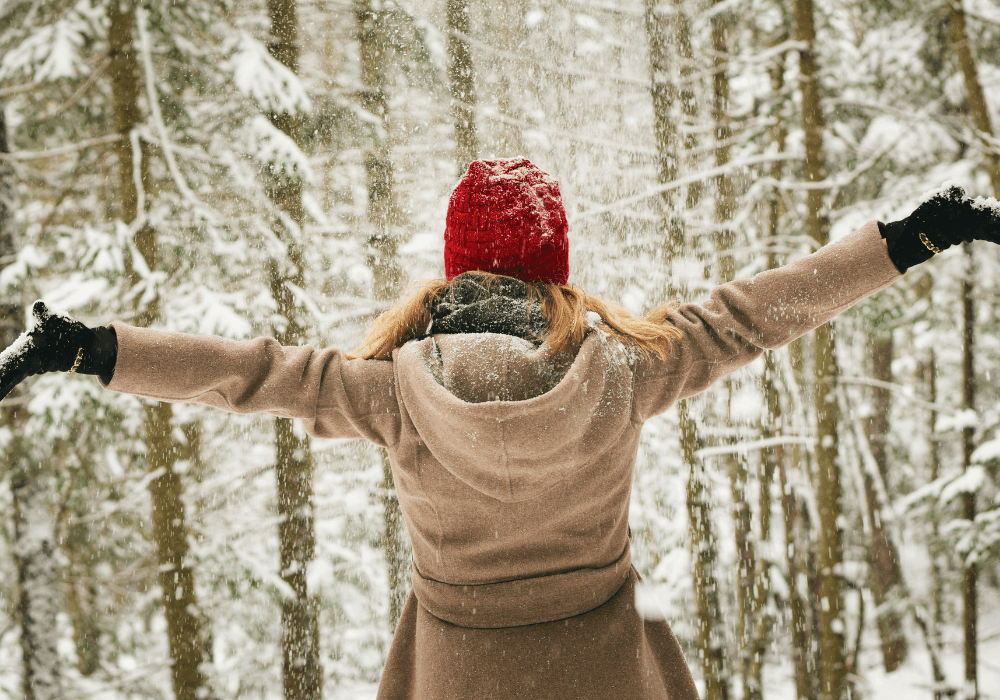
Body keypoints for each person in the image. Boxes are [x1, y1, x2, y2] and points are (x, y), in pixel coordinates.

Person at [1, 157, 999, 699]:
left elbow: (248, 375)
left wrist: (93, 347)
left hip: (455, 672)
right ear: (553, 265)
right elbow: (752, 315)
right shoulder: (626, 366)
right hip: (607, 669)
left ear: (451, 268)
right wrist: (909, 239)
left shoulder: (388, 388)